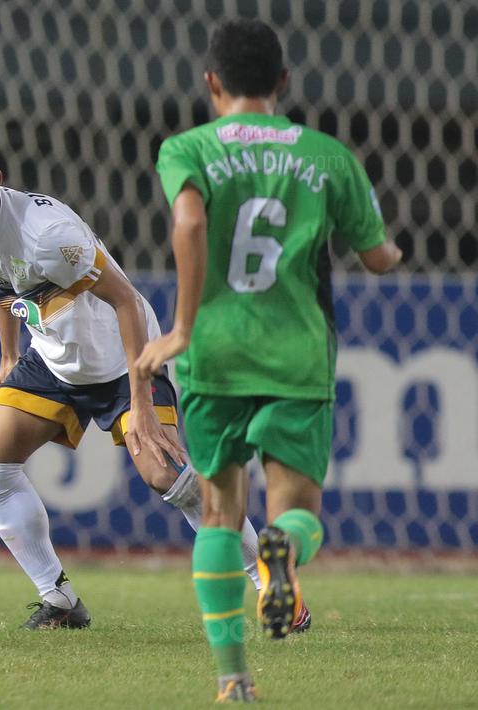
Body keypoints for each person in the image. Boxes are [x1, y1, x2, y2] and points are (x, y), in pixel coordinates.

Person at [136, 19, 402, 702]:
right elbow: (376, 258)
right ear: (282, 82)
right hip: (294, 353)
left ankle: (232, 679)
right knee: (296, 511)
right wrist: (387, 247)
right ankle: (281, 546)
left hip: (212, 354)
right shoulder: (325, 155)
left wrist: (183, 328)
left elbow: (189, 222)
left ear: (211, 83)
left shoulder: (184, 148)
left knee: (221, 514)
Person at [0, 125, 272, 631]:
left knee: (164, 476)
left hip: (120, 359)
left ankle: (270, 579)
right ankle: (60, 601)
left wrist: (141, 404)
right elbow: (4, 287)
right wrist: (8, 356)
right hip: (53, 358)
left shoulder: (49, 236)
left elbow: (127, 301)